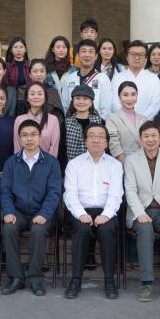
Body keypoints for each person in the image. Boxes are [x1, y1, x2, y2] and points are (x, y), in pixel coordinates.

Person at [122, 121, 160, 303]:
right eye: (146, 136)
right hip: (140, 211)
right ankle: (147, 284)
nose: (150, 139)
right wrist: (139, 213)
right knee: (145, 230)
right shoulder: (131, 160)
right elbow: (130, 190)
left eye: (153, 136)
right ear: (141, 139)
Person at [0, 119, 62, 297]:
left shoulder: (51, 162)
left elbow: (54, 192)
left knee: (38, 230)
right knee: (8, 228)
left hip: (42, 212)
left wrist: (44, 214)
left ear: (40, 137)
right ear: (19, 138)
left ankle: (35, 278)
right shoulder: (11, 162)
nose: (29, 139)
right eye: (25, 135)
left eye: (33, 134)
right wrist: (8, 211)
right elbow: (5, 191)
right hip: (18, 211)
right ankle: (16, 277)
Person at [63, 123, 124, 299]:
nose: (96, 139)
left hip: (106, 211)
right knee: (81, 230)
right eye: (91, 135)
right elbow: (70, 193)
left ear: (106, 142)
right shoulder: (74, 164)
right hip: (81, 211)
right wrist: (81, 214)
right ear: (85, 141)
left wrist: (106, 215)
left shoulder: (114, 165)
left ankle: (109, 280)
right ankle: (76, 280)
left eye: (100, 136)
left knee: (107, 230)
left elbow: (116, 194)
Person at [59, 39, 114, 117]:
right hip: (72, 122)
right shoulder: (69, 79)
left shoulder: (103, 78)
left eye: (91, 51)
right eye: (84, 51)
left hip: (96, 123)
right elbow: (65, 106)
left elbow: (106, 108)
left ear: (96, 56)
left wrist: (98, 123)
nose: (87, 55)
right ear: (78, 55)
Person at [112, 40, 160, 119]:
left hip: (146, 123)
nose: (137, 57)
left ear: (146, 58)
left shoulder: (154, 78)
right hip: (122, 122)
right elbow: (115, 103)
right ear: (127, 57)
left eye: (141, 55)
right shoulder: (117, 78)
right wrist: (128, 120)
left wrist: (141, 120)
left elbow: (155, 106)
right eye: (133, 54)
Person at [62, 84, 106, 169]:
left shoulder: (100, 122)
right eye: (78, 98)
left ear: (91, 102)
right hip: (72, 168)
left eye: (85, 98)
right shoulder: (66, 123)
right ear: (73, 101)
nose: (81, 102)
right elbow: (62, 150)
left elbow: (105, 147)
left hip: (96, 168)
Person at [14, 82, 61, 159]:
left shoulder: (53, 120)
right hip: (24, 163)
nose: (36, 97)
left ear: (45, 97)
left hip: (47, 163)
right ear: (27, 98)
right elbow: (17, 147)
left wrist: (49, 164)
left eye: (40, 94)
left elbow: (54, 148)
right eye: (32, 94)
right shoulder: (19, 120)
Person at [106, 82, 143, 162]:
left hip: (143, 161)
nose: (129, 99)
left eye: (133, 94)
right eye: (125, 95)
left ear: (137, 96)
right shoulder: (112, 118)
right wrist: (125, 163)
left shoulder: (143, 119)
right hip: (123, 162)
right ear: (119, 97)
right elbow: (114, 143)